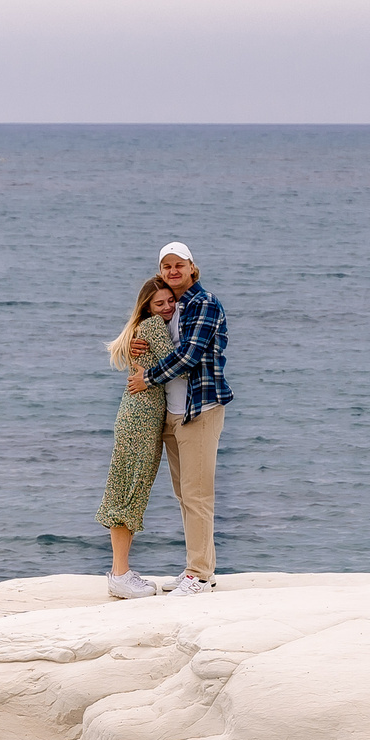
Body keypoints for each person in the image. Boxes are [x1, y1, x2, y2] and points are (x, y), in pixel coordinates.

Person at [125, 242, 232, 595]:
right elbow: (156, 346)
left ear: (191, 267)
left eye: (179, 265)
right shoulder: (170, 309)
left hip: (199, 410)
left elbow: (188, 357)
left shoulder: (204, 303)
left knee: (198, 495)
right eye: (166, 266)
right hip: (172, 413)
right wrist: (136, 345)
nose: (173, 271)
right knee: (185, 495)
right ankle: (200, 570)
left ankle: (198, 574)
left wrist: (147, 378)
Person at [97, 278, 178, 600]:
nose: (167, 307)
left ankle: (120, 571)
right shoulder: (155, 327)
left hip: (135, 416)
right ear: (147, 307)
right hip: (141, 420)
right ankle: (119, 574)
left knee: (126, 489)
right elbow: (181, 365)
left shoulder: (144, 328)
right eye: (160, 303)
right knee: (130, 492)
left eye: (171, 301)